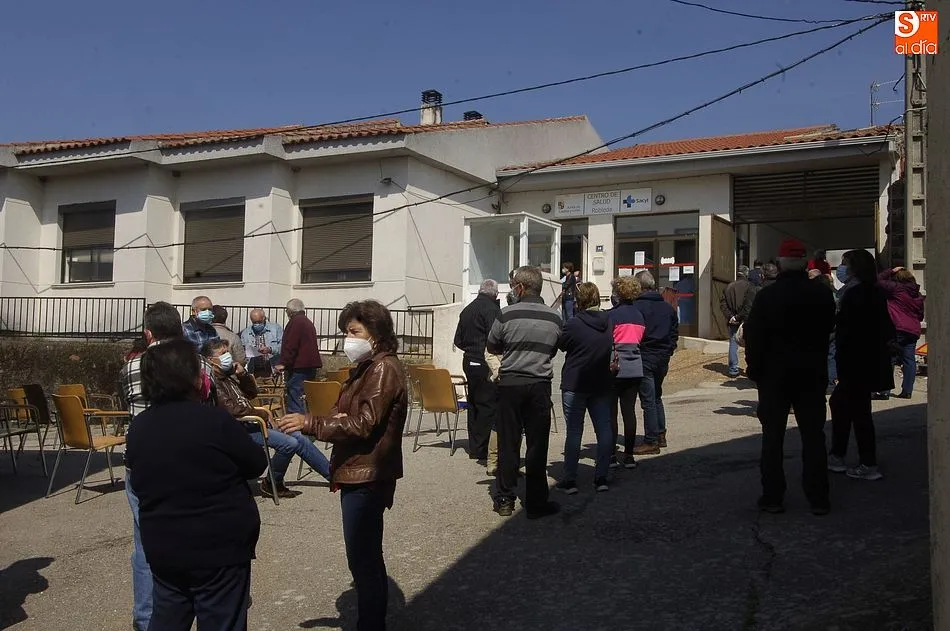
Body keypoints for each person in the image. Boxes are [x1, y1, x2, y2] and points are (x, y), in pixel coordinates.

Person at [278, 300, 407, 631]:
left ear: (375, 333)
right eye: (346, 332)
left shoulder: (382, 369)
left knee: (362, 557)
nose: (348, 339)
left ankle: (371, 623)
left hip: (368, 471)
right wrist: (334, 417)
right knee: (365, 555)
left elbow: (365, 423)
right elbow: (351, 412)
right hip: (357, 468)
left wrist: (311, 423)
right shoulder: (367, 367)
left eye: (354, 332)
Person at [126, 339, 266, 631]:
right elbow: (256, 463)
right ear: (191, 377)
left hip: (165, 546)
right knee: (221, 620)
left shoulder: (139, 427)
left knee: (168, 618)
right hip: (219, 546)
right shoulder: (215, 420)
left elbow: (138, 482)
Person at [117, 301, 218, 631]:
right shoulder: (199, 363)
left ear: (148, 333)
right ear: (180, 327)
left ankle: (148, 618)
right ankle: (199, 601)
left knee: (145, 541)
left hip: (142, 459)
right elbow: (212, 405)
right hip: (192, 458)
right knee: (197, 531)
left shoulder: (132, 366)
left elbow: (126, 404)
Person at [743, 238, 836, 515]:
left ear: (780, 263)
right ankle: (818, 498)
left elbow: (754, 336)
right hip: (811, 373)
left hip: (774, 376)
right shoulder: (820, 294)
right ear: (805, 264)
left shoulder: (767, 296)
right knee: (813, 437)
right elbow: (828, 328)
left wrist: (755, 369)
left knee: (772, 437)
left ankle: (772, 496)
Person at [202, 339, 330, 498]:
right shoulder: (215, 381)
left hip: (254, 422)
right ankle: (272, 483)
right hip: (242, 428)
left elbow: (251, 394)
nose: (228, 356)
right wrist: (262, 414)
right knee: (290, 443)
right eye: (222, 354)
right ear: (210, 360)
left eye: (228, 352)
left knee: (298, 436)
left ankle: (332, 476)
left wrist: (243, 375)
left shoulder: (229, 376)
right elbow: (232, 410)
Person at [487, 266, 562, 519]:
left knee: (509, 443)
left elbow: (493, 345)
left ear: (520, 288)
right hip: (539, 385)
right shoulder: (554, 317)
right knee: (537, 445)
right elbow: (553, 350)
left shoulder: (506, 314)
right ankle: (537, 502)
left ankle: (505, 499)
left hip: (510, 385)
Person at [828, 249, 896, 481]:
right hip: (864, 363)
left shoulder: (856, 294)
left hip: (856, 363)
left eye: (845, 263)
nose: (842, 268)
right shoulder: (872, 292)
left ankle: (865, 462)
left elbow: (848, 332)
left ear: (855, 267)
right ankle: (840, 455)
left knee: (854, 411)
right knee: (848, 408)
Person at [555, 282, 615, 494]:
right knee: (604, 429)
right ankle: (602, 477)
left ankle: (570, 479)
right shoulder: (609, 321)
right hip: (601, 382)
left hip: (575, 382)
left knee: (574, 431)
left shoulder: (574, 323)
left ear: (579, 301)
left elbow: (562, 345)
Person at [630, 271, 679, 454]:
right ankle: (660, 434)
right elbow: (675, 332)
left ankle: (651, 440)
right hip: (662, 356)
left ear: (640, 287)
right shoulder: (667, 307)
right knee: (656, 396)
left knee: (648, 400)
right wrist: (669, 350)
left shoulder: (637, 307)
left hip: (646, 355)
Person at [453, 279, 502, 461]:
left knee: (473, 403)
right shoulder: (492, 310)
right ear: (495, 293)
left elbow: (457, 340)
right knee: (487, 405)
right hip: (484, 362)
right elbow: (495, 337)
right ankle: (482, 448)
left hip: (469, 360)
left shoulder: (467, 310)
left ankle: (474, 446)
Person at [606, 275, 646, 468]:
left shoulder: (612, 315)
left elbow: (607, 342)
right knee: (629, 412)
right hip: (635, 367)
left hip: (615, 368)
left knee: (611, 413)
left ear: (618, 293)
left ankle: (612, 455)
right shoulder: (640, 316)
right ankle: (629, 455)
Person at [875, 267, 925, 399]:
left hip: (896, 327)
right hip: (913, 330)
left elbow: (878, 280)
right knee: (909, 360)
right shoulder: (918, 295)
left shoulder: (897, 288)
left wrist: (891, 270)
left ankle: (884, 391)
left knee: (889, 358)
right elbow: (920, 316)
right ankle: (907, 391)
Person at [275, 299, 322, 415]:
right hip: (309, 365)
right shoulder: (306, 322)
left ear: (290, 311)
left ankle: (296, 426)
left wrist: (283, 363)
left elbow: (290, 345)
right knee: (303, 396)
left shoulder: (295, 323)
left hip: (299, 366)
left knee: (295, 394)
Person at [720, 266, 755, 378]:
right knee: (749, 344)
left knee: (733, 344)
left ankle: (733, 369)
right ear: (746, 274)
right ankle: (750, 368)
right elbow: (748, 305)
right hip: (746, 319)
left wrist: (730, 316)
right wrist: (739, 317)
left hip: (732, 320)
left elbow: (723, 304)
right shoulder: (750, 286)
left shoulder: (728, 287)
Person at [240, 308, 283, 376]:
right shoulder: (245, 333)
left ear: (264, 318)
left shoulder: (276, 329)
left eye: (259, 322)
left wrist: (270, 349)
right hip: (254, 371)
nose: (257, 324)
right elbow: (242, 352)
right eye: (254, 322)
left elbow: (283, 347)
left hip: (273, 370)